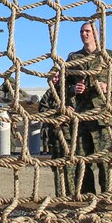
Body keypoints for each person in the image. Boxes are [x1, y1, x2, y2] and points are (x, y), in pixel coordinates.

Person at [65, 20, 112, 195]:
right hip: (82, 116)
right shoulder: (74, 58)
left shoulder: (109, 56)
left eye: (87, 31)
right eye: (82, 31)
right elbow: (63, 84)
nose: (84, 34)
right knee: (82, 160)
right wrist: (73, 89)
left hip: (102, 116)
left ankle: (106, 195)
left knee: (104, 160)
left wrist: (108, 87)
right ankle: (87, 197)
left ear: (96, 33)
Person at [38, 68, 74, 197]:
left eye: (57, 76)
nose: (55, 79)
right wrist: (58, 110)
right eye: (52, 76)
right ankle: (60, 195)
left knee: (71, 165)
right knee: (58, 166)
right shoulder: (49, 94)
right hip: (55, 134)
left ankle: (73, 194)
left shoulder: (70, 90)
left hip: (71, 135)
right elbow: (42, 110)